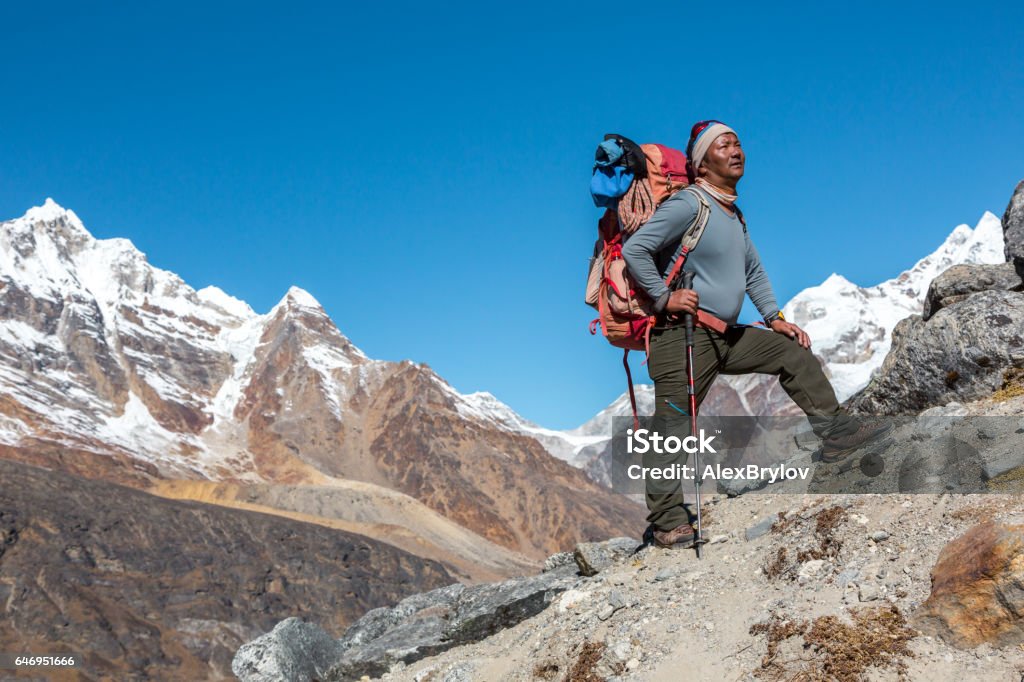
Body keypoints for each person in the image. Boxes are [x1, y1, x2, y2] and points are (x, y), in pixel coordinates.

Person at [621, 120, 891, 549]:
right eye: (723, 145)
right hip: (682, 336)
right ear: (702, 163)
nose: (736, 150)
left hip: (724, 335)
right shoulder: (689, 205)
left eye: (738, 143)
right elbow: (636, 250)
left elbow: (752, 271)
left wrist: (775, 316)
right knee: (672, 425)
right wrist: (663, 298)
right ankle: (667, 521)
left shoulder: (732, 214)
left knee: (791, 352)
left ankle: (838, 437)